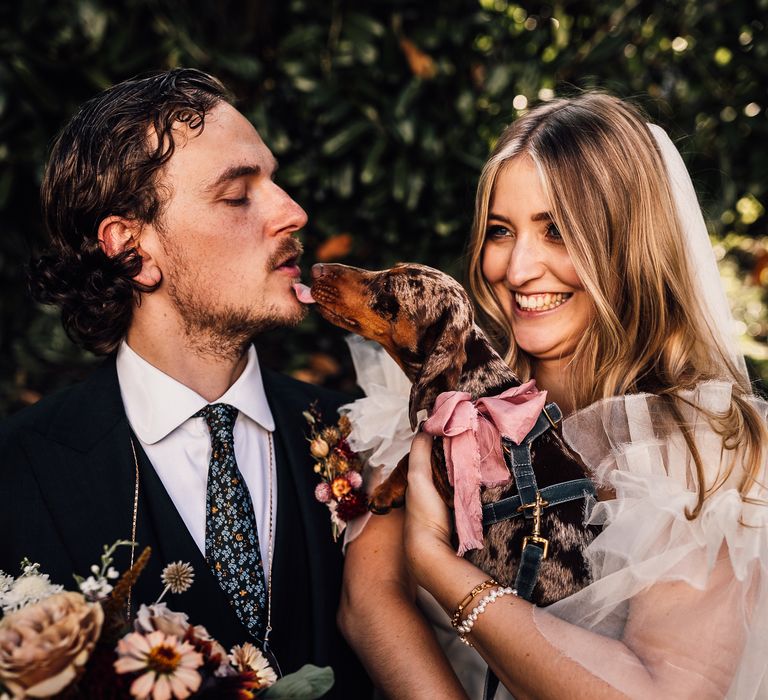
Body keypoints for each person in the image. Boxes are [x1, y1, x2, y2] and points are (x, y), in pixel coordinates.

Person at [340, 92, 767, 699]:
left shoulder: (705, 453)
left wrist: (441, 567)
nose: (517, 269)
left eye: (557, 231)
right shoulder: (442, 405)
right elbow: (370, 603)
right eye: (500, 232)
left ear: (630, 244)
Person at [0, 68, 370, 698]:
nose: (293, 212)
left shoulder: (364, 438)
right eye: (238, 194)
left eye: (274, 180)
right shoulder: (18, 473)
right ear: (132, 251)